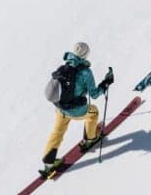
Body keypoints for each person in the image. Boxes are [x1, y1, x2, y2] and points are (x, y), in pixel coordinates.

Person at [40, 42, 114, 176]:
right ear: (86, 55)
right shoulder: (86, 72)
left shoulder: (64, 67)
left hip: (60, 108)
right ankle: (89, 140)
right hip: (75, 109)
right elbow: (95, 94)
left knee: (57, 132)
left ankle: (48, 162)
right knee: (93, 112)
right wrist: (106, 83)